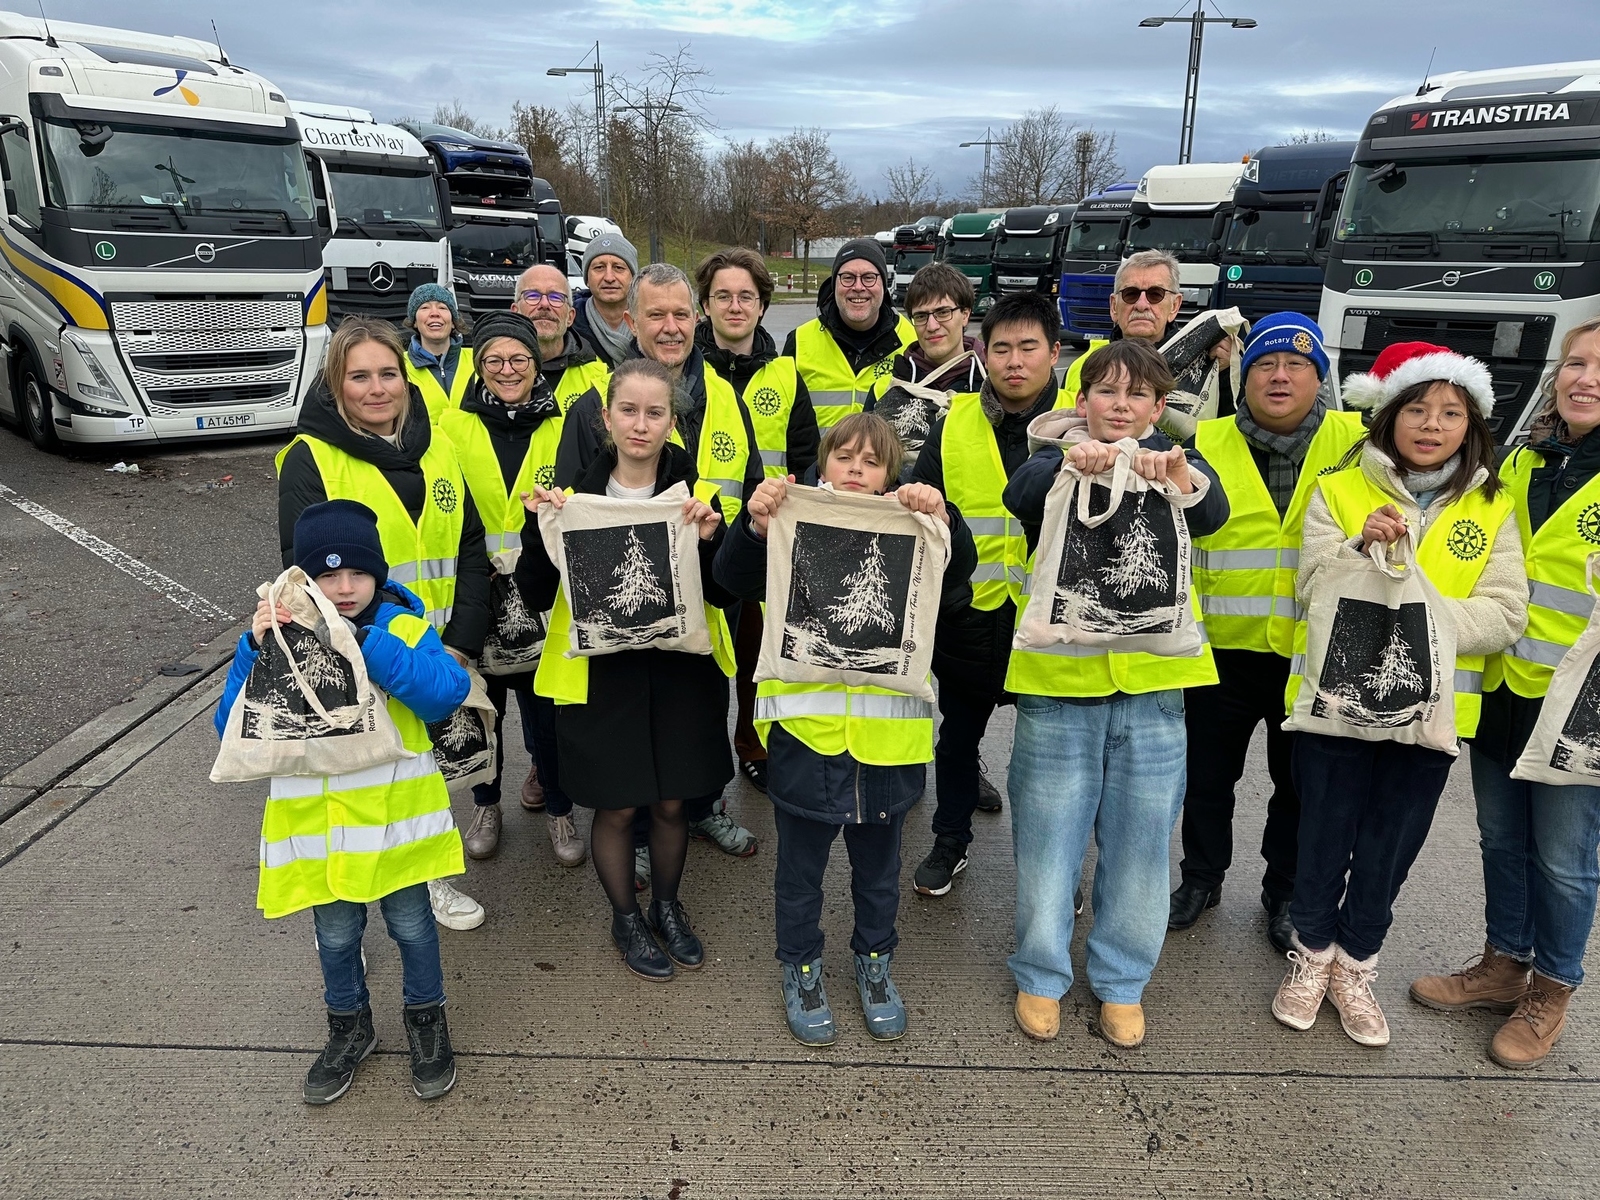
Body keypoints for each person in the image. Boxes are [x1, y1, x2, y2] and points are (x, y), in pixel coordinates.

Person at [1271, 341, 1524, 1049]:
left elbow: (1506, 612)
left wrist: (1419, 615)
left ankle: (1356, 967)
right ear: (1388, 417)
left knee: (1389, 846)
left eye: (1451, 412)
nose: (1432, 424)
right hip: (1337, 709)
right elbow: (1312, 586)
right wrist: (1358, 548)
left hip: (1430, 718)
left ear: (1472, 428)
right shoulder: (1338, 488)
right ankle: (1311, 957)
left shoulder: (1491, 505)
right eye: (1417, 407)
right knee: (1322, 835)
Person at [713, 412, 978, 1045]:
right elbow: (728, 580)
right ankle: (801, 967)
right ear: (821, 463)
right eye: (844, 457)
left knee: (879, 873)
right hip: (807, 738)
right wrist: (754, 526)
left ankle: (875, 961)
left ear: (892, 475)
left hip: (888, 746)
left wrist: (942, 514)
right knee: (799, 872)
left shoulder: (911, 523)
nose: (856, 471)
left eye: (872, 462)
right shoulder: (788, 518)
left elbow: (959, 570)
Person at [1004, 338, 1231, 1049]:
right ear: (1082, 401)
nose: (1121, 406)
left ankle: (1123, 983)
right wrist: (1075, 465)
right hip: (1058, 686)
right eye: (1106, 392)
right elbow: (1022, 496)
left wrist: (1178, 476)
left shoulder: (1177, 459)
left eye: (1138, 396)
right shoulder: (1051, 454)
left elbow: (1214, 512)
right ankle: (1040, 975)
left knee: (1139, 848)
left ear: (1160, 407)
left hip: (1155, 688)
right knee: (1048, 843)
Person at [215, 499, 469, 1104]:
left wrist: (364, 641)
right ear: (304, 580)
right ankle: (349, 1028)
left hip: (395, 823)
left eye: (357, 573)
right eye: (327, 577)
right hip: (321, 828)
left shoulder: (401, 626)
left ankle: (426, 1022)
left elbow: (444, 692)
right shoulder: (276, 638)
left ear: (379, 574)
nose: (345, 587)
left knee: (412, 927)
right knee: (335, 936)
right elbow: (230, 727)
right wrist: (253, 651)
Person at [1410, 316, 1600, 1068]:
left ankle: (1552, 989)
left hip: (1581, 707)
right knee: (1501, 838)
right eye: (1575, 363)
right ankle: (1503, 963)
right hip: (1503, 689)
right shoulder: (1520, 465)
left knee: (1564, 856)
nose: (1584, 378)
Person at [517, 358, 738, 981]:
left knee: (672, 805)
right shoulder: (574, 499)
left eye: (655, 412)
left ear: (674, 423)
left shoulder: (697, 500)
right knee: (615, 809)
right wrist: (541, 528)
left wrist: (714, 540)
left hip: (680, 674)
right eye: (629, 411)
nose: (641, 425)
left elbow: (726, 594)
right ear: (605, 418)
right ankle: (625, 917)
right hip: (601, 678)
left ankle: (667, 907)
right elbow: (535, 591)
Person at [277, 317, 492, 933]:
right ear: (335, 386)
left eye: (388, 373)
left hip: (433, 650)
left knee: (428, 774)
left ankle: (428, 879)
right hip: (358, 652)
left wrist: (460, 642)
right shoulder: (309, 459)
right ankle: (354, 894)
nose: (377, 389)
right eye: (359, 376)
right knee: (366, 779)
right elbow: (300, 578)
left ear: (407, 376)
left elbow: (470, 544)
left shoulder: (438, 443)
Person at [555, 263, 765, 863]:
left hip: (706, 592)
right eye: (655, 314)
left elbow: (747, 483)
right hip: (625, 606)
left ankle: (702, 808)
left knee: (692, 726)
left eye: (680, 314)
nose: (670, 327)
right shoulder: (597, 402)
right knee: (631, 729)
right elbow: (574, 507)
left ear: (696, 319)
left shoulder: (724, 395)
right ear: (632, 319)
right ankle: (640, 835)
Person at [1171, 314, 1365, 953]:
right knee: (1205, 779)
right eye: (1263, 364)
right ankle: (1200, 878)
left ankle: (1283, 891)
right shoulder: (1205, 439)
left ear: (1321, 379)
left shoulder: (1358, 442)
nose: (1279, 376)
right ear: (1242, 373)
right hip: (1219, 651)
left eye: (1297, 365)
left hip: (1313, 655)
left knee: (1299, 786)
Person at [908, 291, 1067, 898]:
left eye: (1029, 348)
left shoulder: (1079, 429)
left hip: (1050, 626)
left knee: (1047, 761)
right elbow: (921, 506)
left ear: (1054, 353)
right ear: (983, 352)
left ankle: (1050, 866)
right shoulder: (953, 422)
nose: (1014, 362)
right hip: (969, 618)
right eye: (1001, 348)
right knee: (957, 741)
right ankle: (950, 841)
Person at [436, 311, 585, 868]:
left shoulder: (563, 424)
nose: (507, 369)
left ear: (535, 362)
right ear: (478, 367)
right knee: (481, 708)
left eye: (518, 358)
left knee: (547, 712)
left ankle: (559, 807)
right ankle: (487, 803)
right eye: (494, 360)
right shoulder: (452, 426)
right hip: (477, 589)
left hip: (543, 591)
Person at [693, 246, 820, 795]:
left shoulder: (786, 375)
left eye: (747, 295)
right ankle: (698, 762)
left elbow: (806, 458)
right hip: (696, 533)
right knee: (697, 662)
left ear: (763, 306)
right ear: (705, 305)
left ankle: (751, 741)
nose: (735, 305)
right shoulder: (685, 371)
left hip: (764, 538)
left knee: (755, 653)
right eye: (723, 295)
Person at [1061, 249, 1234, 413]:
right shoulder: (1079, 368)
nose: (1142, 305)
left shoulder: (1212, 363)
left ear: (1175, 305)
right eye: (1130, 294)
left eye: (1155, 294)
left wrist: (1226, 377)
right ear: (1114, 306)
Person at [784, 238, 915, 431]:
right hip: (818, 462)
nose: (858, 287)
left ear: (884, 284)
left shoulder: (912, 340)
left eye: (869, 277)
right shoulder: (799, 341)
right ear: (834, 283)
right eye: (847, 277)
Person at [865, 262, 986, 471]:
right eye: (921, 316)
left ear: (965, 314)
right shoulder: (886, 389)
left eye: (943, 312)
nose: (932, 326)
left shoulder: (991, 384)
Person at [513, 262, 612, 415]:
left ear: (570, 317)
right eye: (532, 296)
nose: (544, 304)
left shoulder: (599, 376)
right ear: (515, 312)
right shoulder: (477, 368)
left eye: (556, 297)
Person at [402, 283, 474, 417]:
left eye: (442, 307)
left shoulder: (478, 361)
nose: (434, 313)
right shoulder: (398, 366)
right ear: (414, 322)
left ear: (453, 321)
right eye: (424, 307)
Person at [572, 232, 638, 368]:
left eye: (618, 268)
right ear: (587, 279)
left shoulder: (653, 322)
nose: (609, 277)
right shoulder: (569, 328)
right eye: (599, 268)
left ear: (633, 277)